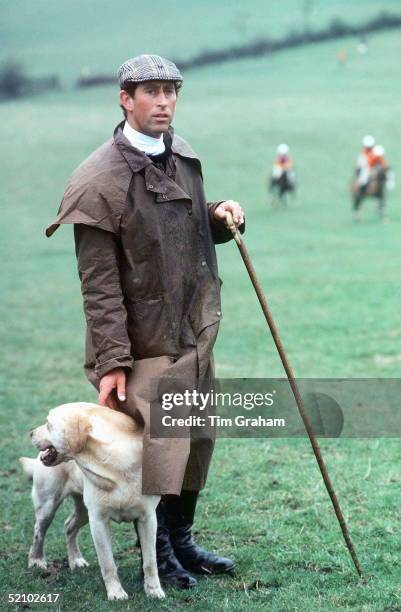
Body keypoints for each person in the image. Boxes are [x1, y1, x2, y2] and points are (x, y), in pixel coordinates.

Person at [46, 54, 245, 589]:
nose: (163, 102)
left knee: (197, 438)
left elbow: (181, 223)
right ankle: (158, 555)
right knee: (158, 448)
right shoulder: (96, 181)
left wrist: (219, 213)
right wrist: (113, 362)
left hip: (193, 328)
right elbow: (99, 285)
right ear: (125, 99)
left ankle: (181, 540)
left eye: (170, 91)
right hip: (141, 341)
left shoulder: (180, 155)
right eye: (150, 91)